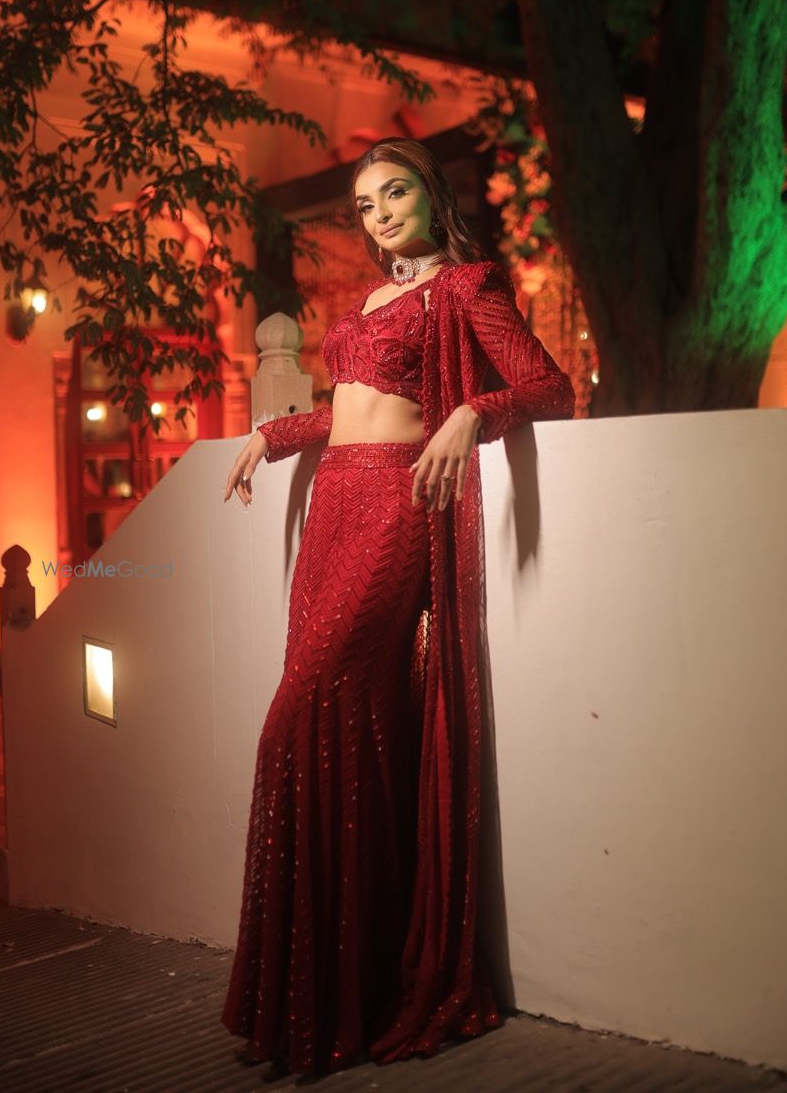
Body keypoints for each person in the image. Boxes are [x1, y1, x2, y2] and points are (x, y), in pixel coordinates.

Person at [220, 137, 576, 1077]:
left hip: (394, 508)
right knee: (345, 726)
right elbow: (348, 403)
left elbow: (548, 385)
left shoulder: (465, 288)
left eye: (394, 192)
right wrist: (277, 432)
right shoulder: (366, 303)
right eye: (364, 203)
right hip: (332, 501)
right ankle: (330, 986)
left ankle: (349, 981)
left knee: (301, 717)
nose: (378, 214)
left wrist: (469, 415)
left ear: (429, 194)